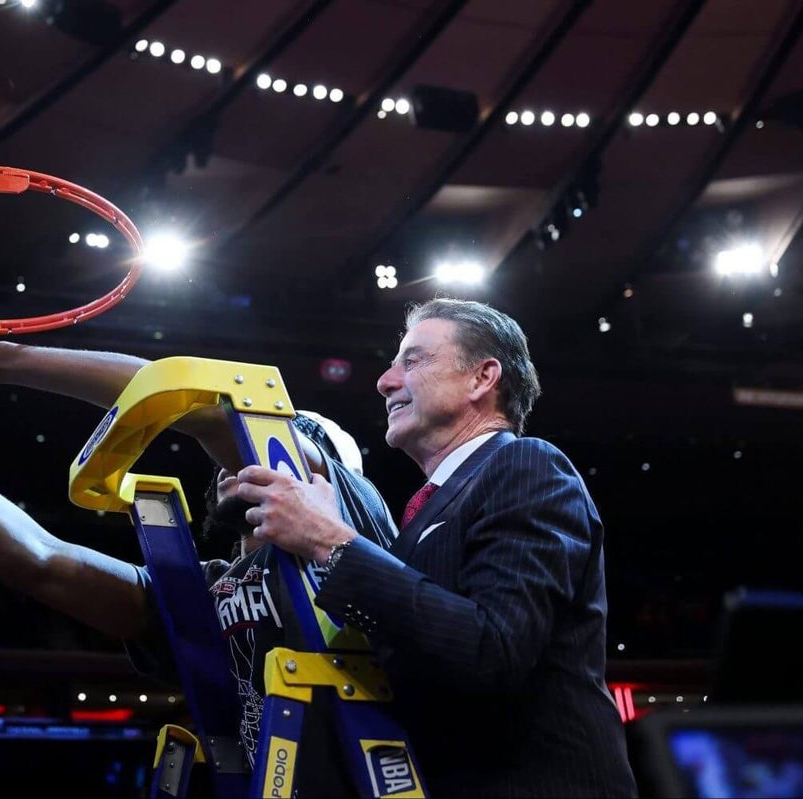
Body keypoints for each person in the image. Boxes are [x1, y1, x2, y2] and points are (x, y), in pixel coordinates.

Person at [0, 341, 399, 795]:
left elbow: (199, 408)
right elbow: (42, 562)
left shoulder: (359, 529)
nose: (241, 457)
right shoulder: (208, 589)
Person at [233, 297, 638, 797]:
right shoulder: (424, 515)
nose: (385, 381)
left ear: (481, 378)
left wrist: (329, 540)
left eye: (414, 359)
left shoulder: (526, 465)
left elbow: (496, 649)